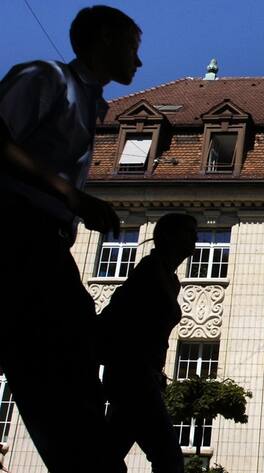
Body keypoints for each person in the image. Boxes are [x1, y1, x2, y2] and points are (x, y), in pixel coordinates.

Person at [0, 5, 141, 473]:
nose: (139, 61)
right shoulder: (46, 78)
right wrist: (70, 195)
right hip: (18, 233)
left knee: (69, 354)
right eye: (133, 47)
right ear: (105, 40)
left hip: (45, 240)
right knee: (65, 354)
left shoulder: (92, 105)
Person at [99, 213, 197, 473]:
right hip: (134, 375)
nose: (195, 238)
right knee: (168, 457)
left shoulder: (170, 278)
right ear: (168, 236)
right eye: (188, 232)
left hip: (141, 375)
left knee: (106, 457)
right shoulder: (150, 271)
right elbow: (119, 316)